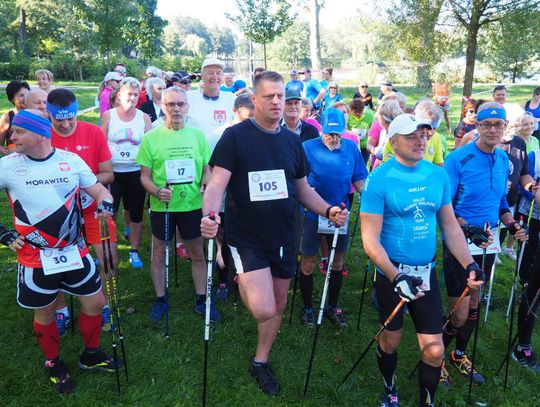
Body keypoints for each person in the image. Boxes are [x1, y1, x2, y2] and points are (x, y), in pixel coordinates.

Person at [200, 71, 347, 396]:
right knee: (264, 308)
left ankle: (260, 360)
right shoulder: (235, 137)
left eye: (283, 96)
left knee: (278, 303)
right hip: (246, 236)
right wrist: (209, 215)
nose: (277, 102)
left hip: (284, 234)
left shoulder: (292, 143)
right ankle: (243, 277)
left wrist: (328, 210)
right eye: (269, 96)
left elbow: (303, 190)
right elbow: (217, 183)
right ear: (255, 100)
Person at [360, 112, 483, 407]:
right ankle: (390, 388)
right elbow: (370, 240)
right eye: (411, 136)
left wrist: (469, 263)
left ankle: (426, 403)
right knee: (391, 341)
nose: (420, 140)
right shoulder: (379, 179)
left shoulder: (436, 175)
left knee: (434, 350)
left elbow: (450, 225)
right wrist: (395, 276)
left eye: (424, 134)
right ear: (393, 142)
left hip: (425, 274)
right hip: (393, 274)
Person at [0, 109, 121, 394]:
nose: (11, 136)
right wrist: (3, 233)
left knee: (95, 303)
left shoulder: (70, 161)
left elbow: (100, 191)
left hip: (74, 251)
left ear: (40, 134)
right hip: (35, 257)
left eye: (19, 131)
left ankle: (91, 355)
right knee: (45, 313)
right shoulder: (8, 165)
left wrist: (106, 203)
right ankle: (54, 363)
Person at [442, 102, 530, 385]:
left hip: (488, 242)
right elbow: (444, 208)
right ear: (477, 127)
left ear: (506, 128)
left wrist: (512, 224)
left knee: (475, 304)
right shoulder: (459, 159)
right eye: (486, 125)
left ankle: (459, 354)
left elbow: (501, 204)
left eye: (498, 125)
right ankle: (436, 357)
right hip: (460, 241)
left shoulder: (504, 160)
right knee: (459, 312)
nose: (492, 129)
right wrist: (468, 228)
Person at [136, 86, 217, 322]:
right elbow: (144, 176)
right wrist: (157, 191)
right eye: (170, 104)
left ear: (187, 107)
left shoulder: (198, 136)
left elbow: (206, 170)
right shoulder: (151, 138)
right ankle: (161, 299)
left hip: (192, 204)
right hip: (164, 207)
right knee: (159, 253)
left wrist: (205, 184)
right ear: (163, 107)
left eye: (180, 104)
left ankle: (202, 299)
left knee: (197, 252)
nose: (176, 109)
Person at [47, 88, 118, 334]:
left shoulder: (93, 132)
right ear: (49, 114)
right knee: (54, 265)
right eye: (60, 119)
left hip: (92, 208)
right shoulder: (42, 136)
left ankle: (104, 305)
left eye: (71, 118)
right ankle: (61, 310)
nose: (66, 124)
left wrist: (83, 184)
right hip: (57, 213)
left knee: (108, 259)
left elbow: (108, 173)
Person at [299, 108, 367, 328]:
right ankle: (308, 307)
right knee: (308, 261)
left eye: (338, 133)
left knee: (337, 262)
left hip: (340, 214)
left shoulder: (351, 148)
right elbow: (298, 181)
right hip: (312, 212)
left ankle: (332, 307)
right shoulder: (307, 148)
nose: (334, 138)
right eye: (329, 133)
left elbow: (359, 180)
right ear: (321, 130)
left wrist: (373, 199)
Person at [101, 77, 152, 269]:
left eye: (135, 94)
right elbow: (100, 140)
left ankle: (134, 251)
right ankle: (107, 249)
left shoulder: (144, 117)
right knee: (109, 213)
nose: (132, 98)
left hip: (136, 173)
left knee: (137, 214)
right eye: (128, 94)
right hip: (113, 173)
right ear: (120, 95)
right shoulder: (109, 115)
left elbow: (149, 146)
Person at [186, 58, 236, 151]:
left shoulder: (232, 98)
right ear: (202, 76)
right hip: (196, 156)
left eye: (218, 73)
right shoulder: (188, 98)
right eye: (210, 73)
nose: (215, 77)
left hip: (224, 157)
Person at [0, 80, 30, 155]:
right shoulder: (7, 117)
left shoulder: (36, 114)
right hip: (15, 160)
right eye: (21, 95)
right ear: (12, 99)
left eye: (27, 94)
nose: (25, 98)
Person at [348, 98, 375, 164]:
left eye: (359, 112)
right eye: (354, 113)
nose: (357, 114)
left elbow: (373, 129)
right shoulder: (348, 115)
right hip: (352, 145)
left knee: (363, 165)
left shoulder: (370, 114)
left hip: (364, 146)